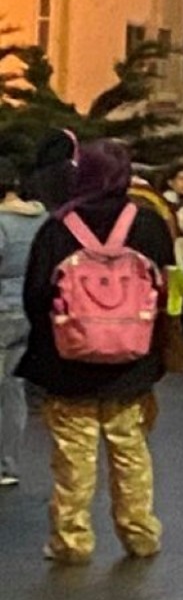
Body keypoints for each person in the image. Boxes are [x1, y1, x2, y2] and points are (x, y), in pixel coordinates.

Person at [16, 140, 174, 565]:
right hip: (133, 361)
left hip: (68, 362)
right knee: (130, 449)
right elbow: (169, 289)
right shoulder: (148, 224)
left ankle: (72, 539)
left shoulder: (58, 227)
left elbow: (35, 296)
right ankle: (139, 532)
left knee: (73, 455)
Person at [0, 159, 50, 489]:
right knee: (12, 389)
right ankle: (8, 463)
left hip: (2, 308)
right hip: (32, 307)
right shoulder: (42, 219)